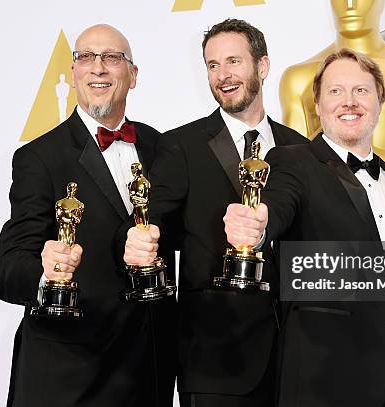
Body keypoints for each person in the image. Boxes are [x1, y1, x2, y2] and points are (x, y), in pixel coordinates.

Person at [223, 49, 385, 407]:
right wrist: (256, 227)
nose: (349, 102)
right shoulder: (293, 163)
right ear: (317, 106)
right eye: (335, 92)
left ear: (380, 101)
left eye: (361, 91)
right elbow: (276, 210)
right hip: (327, 381)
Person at [124, 18, 307, 407]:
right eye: (212, 65)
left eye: (233, 62)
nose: (222, 76)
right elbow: (150, 219)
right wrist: (141, 238)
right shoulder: (180, 146)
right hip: (215, 363)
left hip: (296, 362)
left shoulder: (300, 150)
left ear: (263, 66)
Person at [0, 24, 175, 407]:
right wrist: (46, 271)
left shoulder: (163, 149)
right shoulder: (39, 158)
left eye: (112, 58)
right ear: (73, 73)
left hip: (148, 375)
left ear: (133, 75)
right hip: (68, 378)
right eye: (86, 57)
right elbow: (7, 272)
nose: (99, 68)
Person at [279, 0, 385, 182]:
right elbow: (296, 165)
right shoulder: (297, 78)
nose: (350, 4)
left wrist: (348, 157)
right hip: (321, 207)